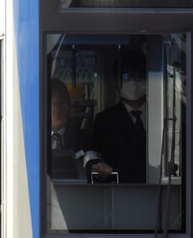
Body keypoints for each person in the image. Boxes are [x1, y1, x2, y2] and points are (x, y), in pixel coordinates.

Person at [85, 50, 149, 183]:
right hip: (119, 193)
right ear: (115, 82)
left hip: (161, 193)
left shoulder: (164, 117)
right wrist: (97, 165)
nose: (133, 82)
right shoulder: (104, 120)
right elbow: (92, 153)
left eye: (139, 76)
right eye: (126, 76)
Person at [48, 78, 88, 180]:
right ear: (44, 105)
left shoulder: (83, 138)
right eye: (59, 103)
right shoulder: (32, 141)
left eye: (67, 102)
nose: (66, 107)